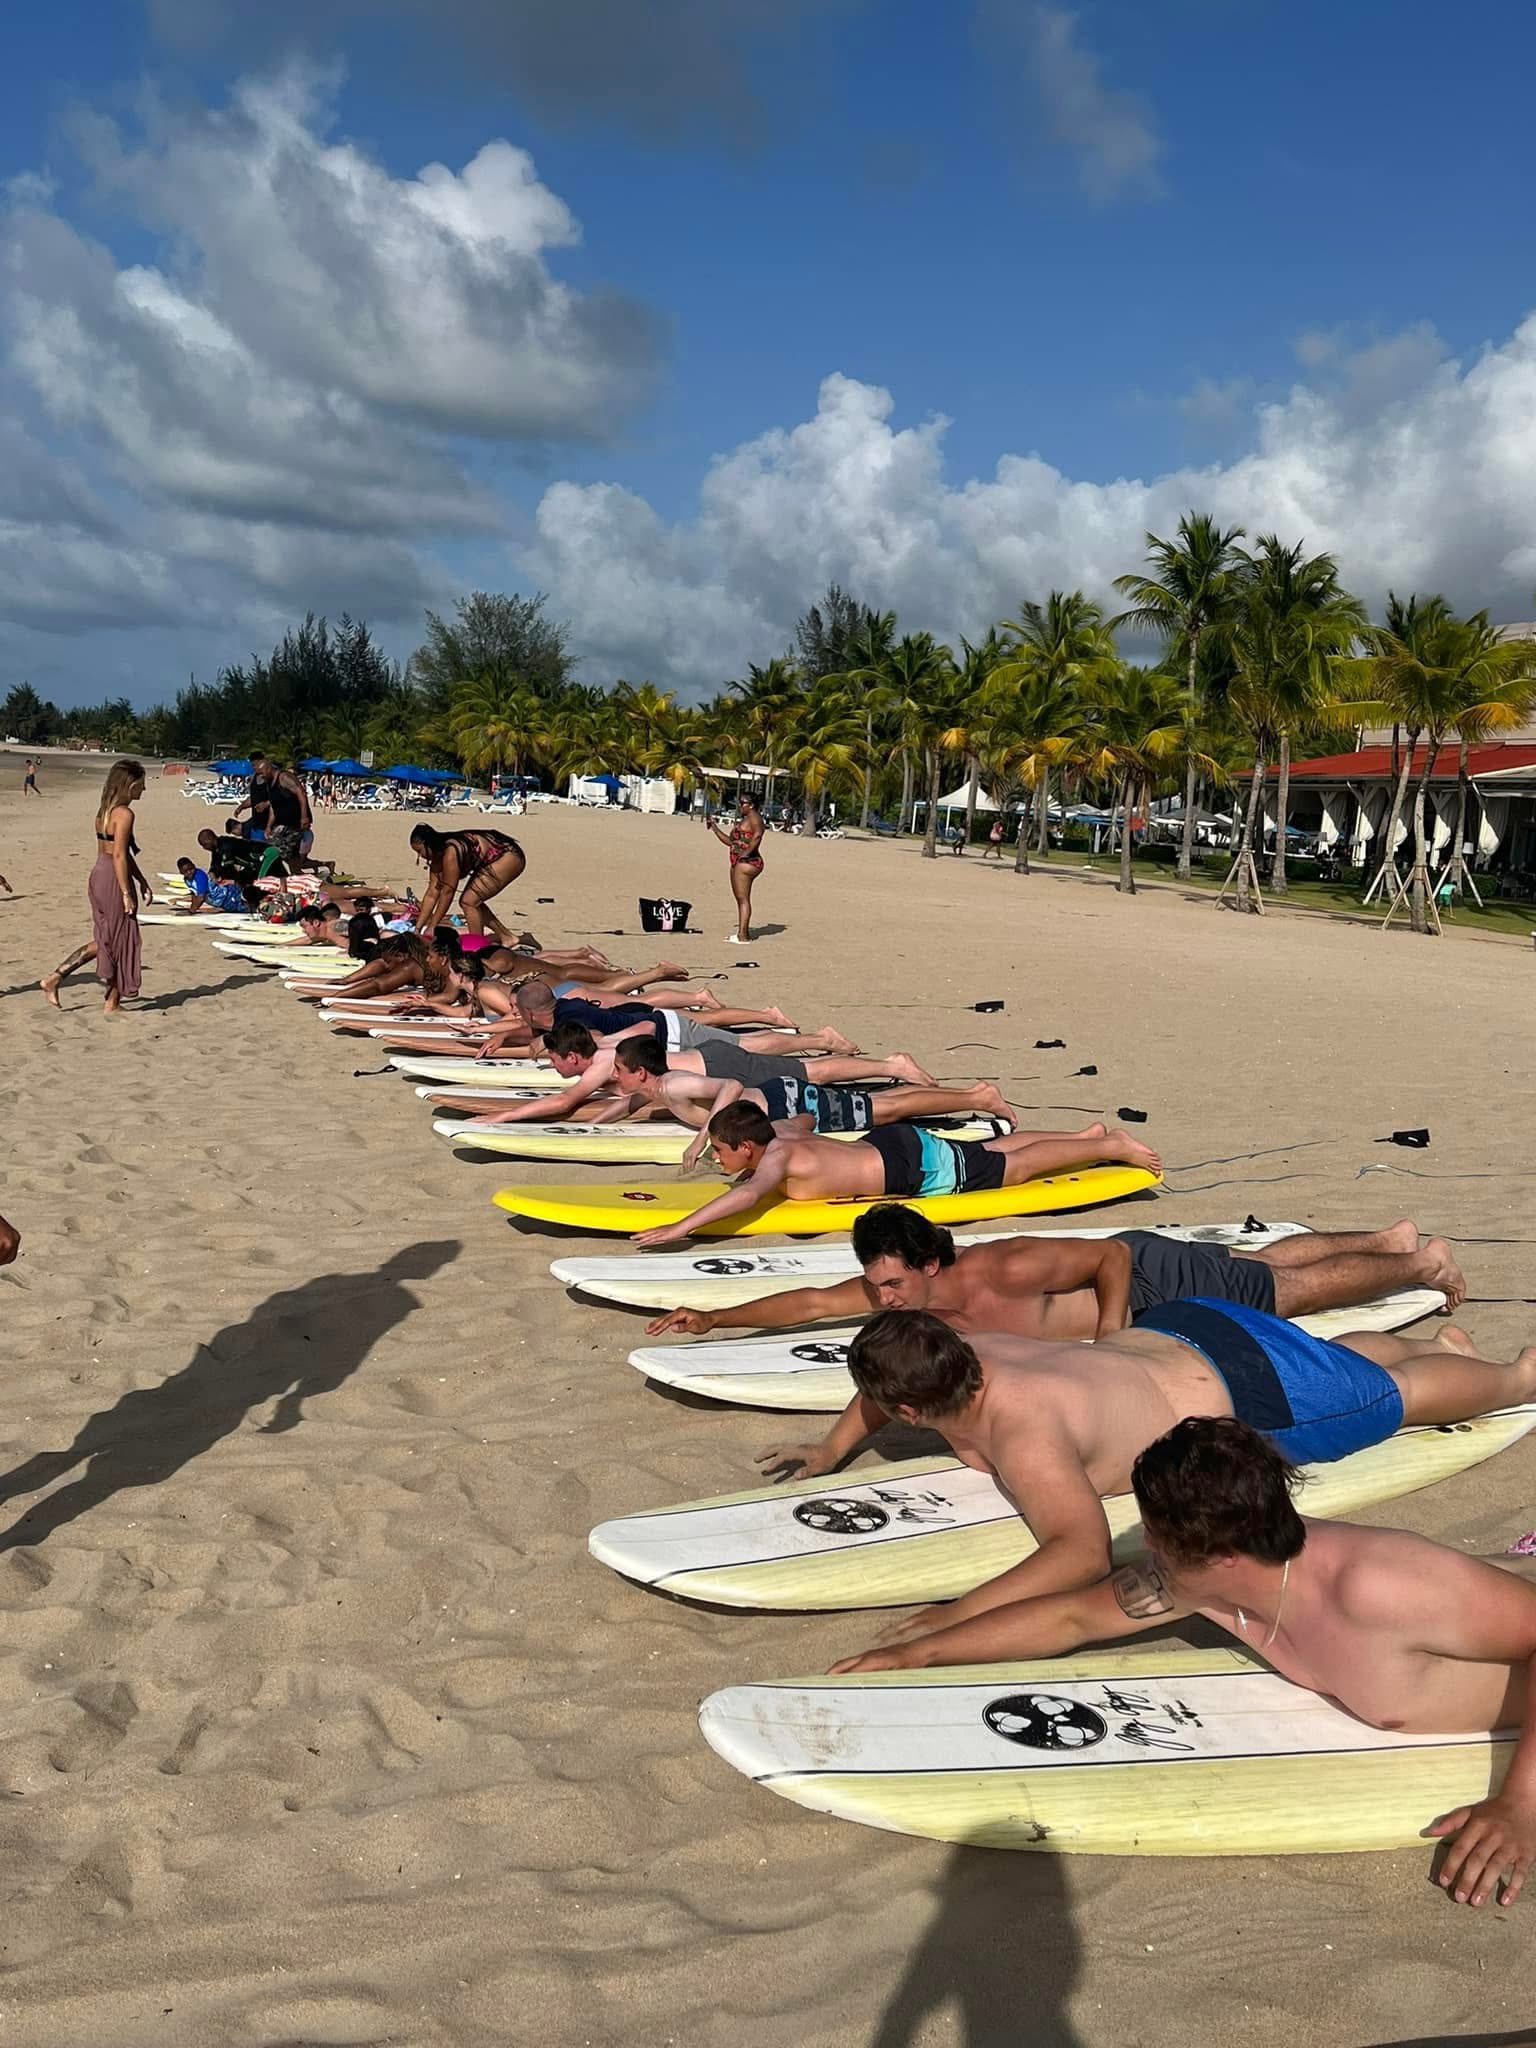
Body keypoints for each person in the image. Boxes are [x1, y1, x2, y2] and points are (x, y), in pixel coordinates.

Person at [829, 1416, 1536, 1913]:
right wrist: (917, 1651)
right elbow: (1076, 1615)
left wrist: (1521, 1803)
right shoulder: (1215, 1585)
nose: (1150, 1560)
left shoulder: (1380, 1586)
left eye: (1160, 1546)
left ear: (1220, 1555)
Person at [773, 1305, 1536, 1649]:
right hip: (1184, 1328)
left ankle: (1509, 1376)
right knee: (1331, 1363)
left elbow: (1079, 1552)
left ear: (913, 1408)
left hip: (1246, 1394)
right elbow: (882, 1382)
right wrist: (831, 1449)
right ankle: (1435, 1344)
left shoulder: (1025, 1430)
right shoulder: (959, 1344)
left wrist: (957, 1614)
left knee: (1389, 1403)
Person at [645, 1204, 1466, 1342]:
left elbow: (1109, 1255)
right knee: (1251, 1263)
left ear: (933, 1263)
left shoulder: (1006, 1265)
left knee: (1275, 1295)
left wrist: (1114, 1334)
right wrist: (715, 1320)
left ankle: (1417, 1264)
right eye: (879, 1286)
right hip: (1139, 1280)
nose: (882, 1299)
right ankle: (1390, 1234)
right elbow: (810, 1301)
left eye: (894, 1284)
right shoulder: (895, 1287)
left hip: (1145, 1278)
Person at [631, 1101, 1160, 1249]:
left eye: (721, 1153)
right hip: (888, 1147)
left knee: (1008, 1168)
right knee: (991, 1149)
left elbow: (742, 1203)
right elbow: (806, 1119)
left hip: (910, 1168)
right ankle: (1086, 1139)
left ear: (747, 1148)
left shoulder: (773, 1162)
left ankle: (1113, 1144)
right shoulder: (780, 1135)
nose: (720, 1162)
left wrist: (679, 1228)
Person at [612, 1037, 1013, 1168]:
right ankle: (971, 1095)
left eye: (619, 1070)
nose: (615, 1077)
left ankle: (976, 1096)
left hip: (784, 1102)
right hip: (779, 1102)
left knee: (883, 1109)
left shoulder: (675, 1085)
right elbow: (622, 1105)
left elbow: (731, 1086)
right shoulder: (656, 1090)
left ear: (641, 1074)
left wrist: (701, 1139)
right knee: (882, 1103)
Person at [449, 1020, 935, 1124]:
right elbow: (630, 1099)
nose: (556, 1069)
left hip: (717, 1067)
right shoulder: (604, 1058)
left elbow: (563, 1103)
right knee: (803, 1070)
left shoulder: (598, 1064)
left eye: (554, 1060)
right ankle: (877, 1063)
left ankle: (890, 1065)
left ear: (573, 1058)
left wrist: (496, 1119)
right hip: (704, 1066)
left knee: (809, 1074)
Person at [40, 758, 152, 1012]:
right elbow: (120, 856)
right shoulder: (124, 814)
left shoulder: (104, 813)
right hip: (113, 878)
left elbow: (117, 851)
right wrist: (127, 892)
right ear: (130, 785)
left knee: (109, 939)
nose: (143, 790)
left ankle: (105, 998)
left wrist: (141, 880)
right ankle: (59, 979)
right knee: (120, 940)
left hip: (99, 873)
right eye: (141, 785)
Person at [410, 825, 525, 940]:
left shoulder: (451, 852)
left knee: (468, 901)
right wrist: (418, 928)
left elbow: (448, 892)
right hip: (491, 859)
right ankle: (507, 937)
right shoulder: (436, 858)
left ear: (428, 844)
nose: (420, 857)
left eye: (420, 851)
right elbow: (432, 893)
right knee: (472, 900)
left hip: (507, 856)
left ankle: (477, 946)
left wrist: (433, 926)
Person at [239, 751, 312, 876]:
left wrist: (304, 816)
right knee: (291, 859)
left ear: (268, 768)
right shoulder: (269, 783)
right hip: (282, 823)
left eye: (261, 773)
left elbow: (301, 793)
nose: (260, 776)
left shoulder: (283, 777)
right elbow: (274, 805)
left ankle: (271, 878)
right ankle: (299, 878)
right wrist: (269, 826)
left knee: (272, 851)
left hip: (294, 823)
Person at [712, 792, 763, 943]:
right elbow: (731, 842)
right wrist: (715, 828)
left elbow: (758, 836)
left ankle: (742, 936)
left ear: (751, 805)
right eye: (739, 802)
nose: (740, 805)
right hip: (739, 861)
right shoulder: (747, 819)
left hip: (747, 863)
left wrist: (745, 854)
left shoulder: (754, 817)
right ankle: (742, 933)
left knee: (743, 900)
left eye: (743, 803)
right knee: (740, 899)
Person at [197, 827, 262, 885]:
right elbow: (215, 862)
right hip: (255, 864)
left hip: (262, 859)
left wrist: (231, 881)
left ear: (209, 840)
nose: (204, 848)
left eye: (204, 845)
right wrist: (212, 872)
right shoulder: (218, 847)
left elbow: (227, 869)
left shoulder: (226, 846)